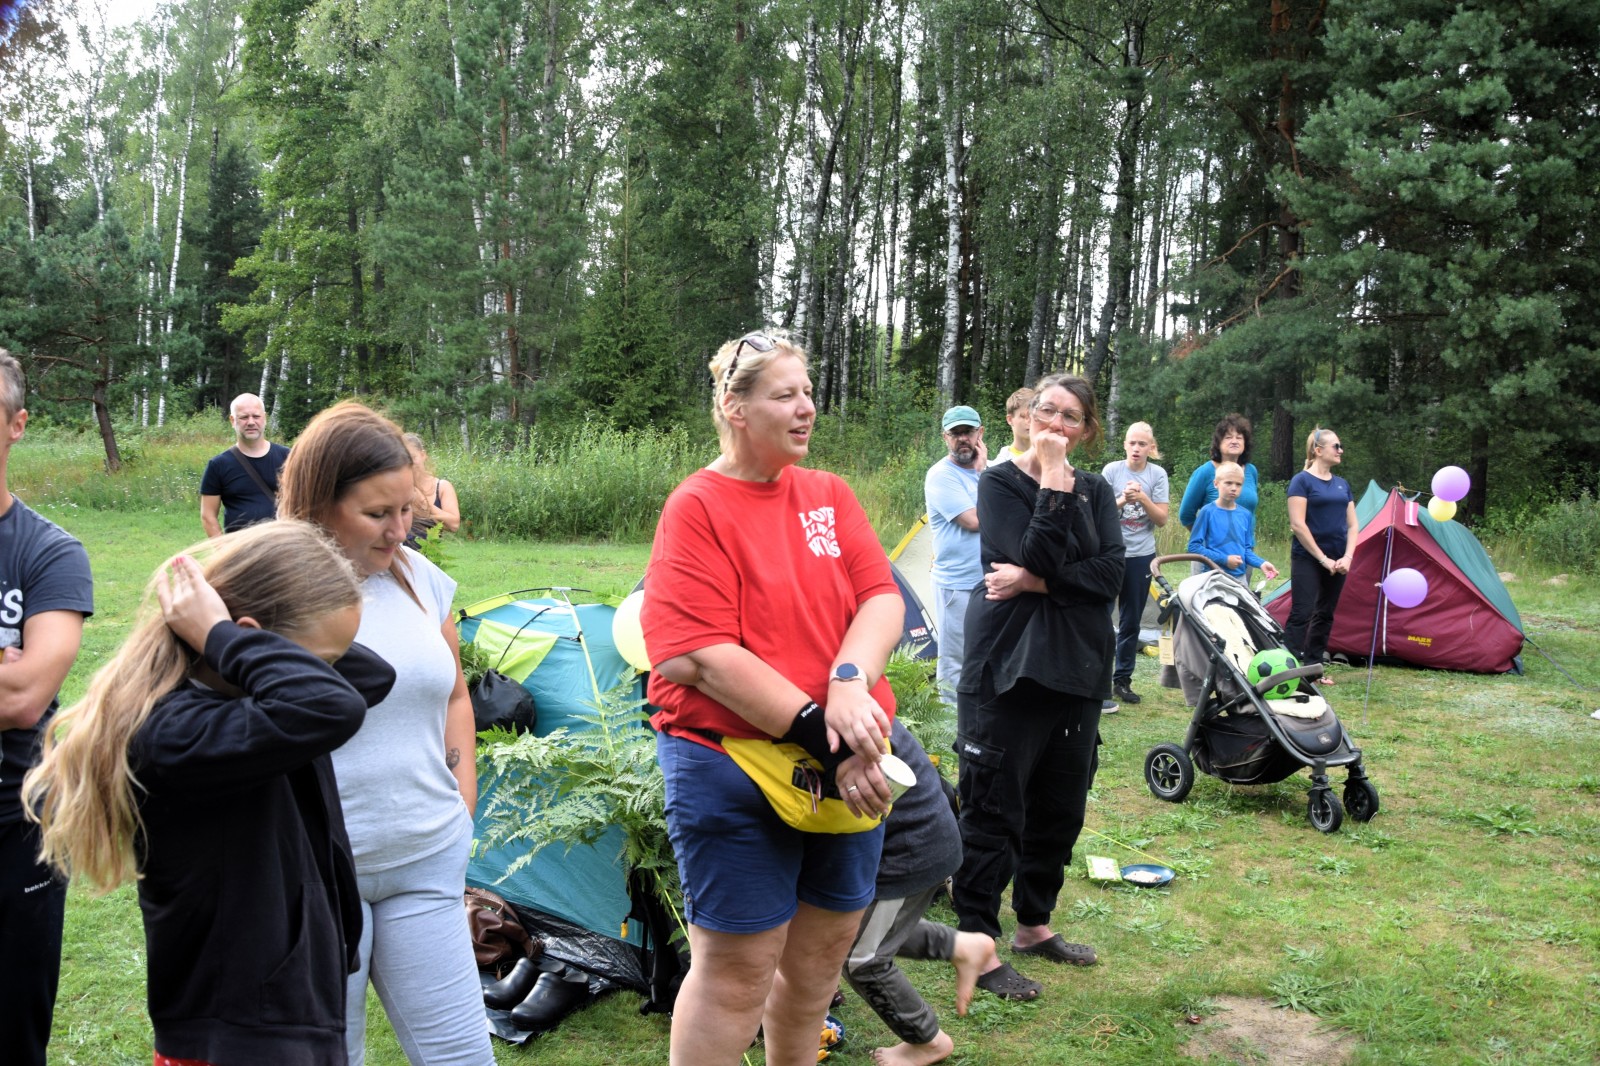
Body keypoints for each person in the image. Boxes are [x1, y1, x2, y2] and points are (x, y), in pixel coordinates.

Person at [22, 522, 395, 1066]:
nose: (331, 676)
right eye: (323, 661)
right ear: (247, 638)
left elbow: (374, 678)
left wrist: (230, 640)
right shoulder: (176, 733)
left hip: (280, 1007)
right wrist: (224, 636)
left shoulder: (264, 708)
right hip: (234, 1028)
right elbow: (333, 703)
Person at [641, 331, 904, 1066]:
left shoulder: (828, 494)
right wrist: (830, 738)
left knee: (820, 961)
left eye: (807, 392)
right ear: (735, 408)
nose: (806, 408)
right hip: (732, 762)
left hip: (851, 758)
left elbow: (881, 596)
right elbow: (700, 657)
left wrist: (848, 680)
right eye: (784, 395)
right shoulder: (697, 506)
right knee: (738, 971)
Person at [277, 402, 494, 1066]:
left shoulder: (421, 580)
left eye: (407, 508)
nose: (400, 530)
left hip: (426, 860)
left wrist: (462, 801)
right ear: (319, 503)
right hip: (311, 877)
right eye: (377, 513)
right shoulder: (269, 592)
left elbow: (454, 693)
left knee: (463, 1058)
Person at [953, 374, 1123, 999]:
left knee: (1060, 805)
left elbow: (1111, 574)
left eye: (1070, 416)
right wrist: (1052, 478)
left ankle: (1034, 924)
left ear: (1087, 429)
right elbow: (1032, 553)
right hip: (1008, 667)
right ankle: (978, 942)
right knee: (994, 808)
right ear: (1025, 416)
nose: (1055, 424)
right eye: (1046, 410)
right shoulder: (998, 483)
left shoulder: (1098, 490)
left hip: (1077, 668)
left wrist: (1035, 583)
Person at [0, 349, 94, 1066]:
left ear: (17, 424)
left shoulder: (50, 551)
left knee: (13, 1030)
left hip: (16, 822)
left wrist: (16, 677)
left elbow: (25, 696)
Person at [842, 720, 998, 1066]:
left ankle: (928, 1041)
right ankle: (961, 946)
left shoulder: (834, 710)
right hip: (912, 839)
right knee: (861, 929)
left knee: (861, 958)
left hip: (909, 849)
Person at [1099, 421, 1169, 705]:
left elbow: (1162, 519)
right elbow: (1097, 512)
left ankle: (1122, 681)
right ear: (1125, 445)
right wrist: (1122, 500)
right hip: (1111, 554)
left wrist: (1142, 498)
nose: (1136, 448)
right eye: (1132, 443)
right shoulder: (1111, 471)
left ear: (1151, 448)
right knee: (1101, 618)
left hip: (1142, 556)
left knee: (1131, 622)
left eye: (1142, 444)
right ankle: (1098, 681)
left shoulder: (1157, 474)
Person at [1285, 427, 1358, 685]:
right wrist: (1322, 558)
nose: (1341, 450)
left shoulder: (1342, 484)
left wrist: (1347, 557)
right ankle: (1287, 672)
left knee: (1325, 614)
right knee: (1302, 613)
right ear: (1318, 450)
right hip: (1308, 558)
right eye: (1336, 446)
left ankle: (1314, 672)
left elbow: (1353, 525)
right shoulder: (1301, 481)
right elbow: (1298, 525)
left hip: (1338, 560)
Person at [924, 405, 986, 703]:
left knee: (986, 653)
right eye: (955, 433)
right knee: (955, 660)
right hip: (956, 585)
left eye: (968, 432)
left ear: (980, 434)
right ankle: (950, 722)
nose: (963, 438)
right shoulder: (941, 475)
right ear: (945, 437)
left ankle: (981, 718)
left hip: (991, 580)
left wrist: (985, 472)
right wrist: (984, 475)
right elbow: (974, 520)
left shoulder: (990, 470)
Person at [1178, 415, 1259, 577]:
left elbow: (1250, 511)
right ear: (1218, 443)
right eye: (1228, 437)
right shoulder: (1205, 472)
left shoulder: (1251, 471)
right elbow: (1186, 515)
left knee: (1240, 593)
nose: (1234, 441)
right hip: (1210, 556)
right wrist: (1209, 538)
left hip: (1242, 553)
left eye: (1239, 437)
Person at [199, 393, 290, 537]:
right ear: (232, 420)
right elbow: (208, 516)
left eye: (256, 416)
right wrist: (224, 548)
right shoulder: (218, 465)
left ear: (264, 418)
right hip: (240, 547)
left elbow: (306, 504)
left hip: (282, 545)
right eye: (244, 417)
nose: (251, 422)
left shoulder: (289, 458)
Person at [1187, 462, 1279, 584]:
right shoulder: (1207, 512)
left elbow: (1246, 550)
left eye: (1238, 484)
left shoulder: (1245, 515)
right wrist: (1224, 559)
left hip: (1239, 580)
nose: (1234, 488)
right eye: (1228, 483)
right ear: (1216, 483)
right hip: (1213, 578)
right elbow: (1194, 547)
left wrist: (1261, 563)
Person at [402, 433, 461, 549]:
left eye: (412, 457)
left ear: (423, 455)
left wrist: (423, 503)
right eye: (404, 459)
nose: (409, 463)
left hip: (430, 555)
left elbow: (454, 525)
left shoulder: (442, 487)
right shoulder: (397, 487)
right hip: (399, 554)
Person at [988, 388, 1034, 466]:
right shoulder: (1000, 463)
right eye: (1023, 416)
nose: (1029, 421)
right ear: (1010, 419)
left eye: (1033, 416)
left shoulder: (1049, 457)